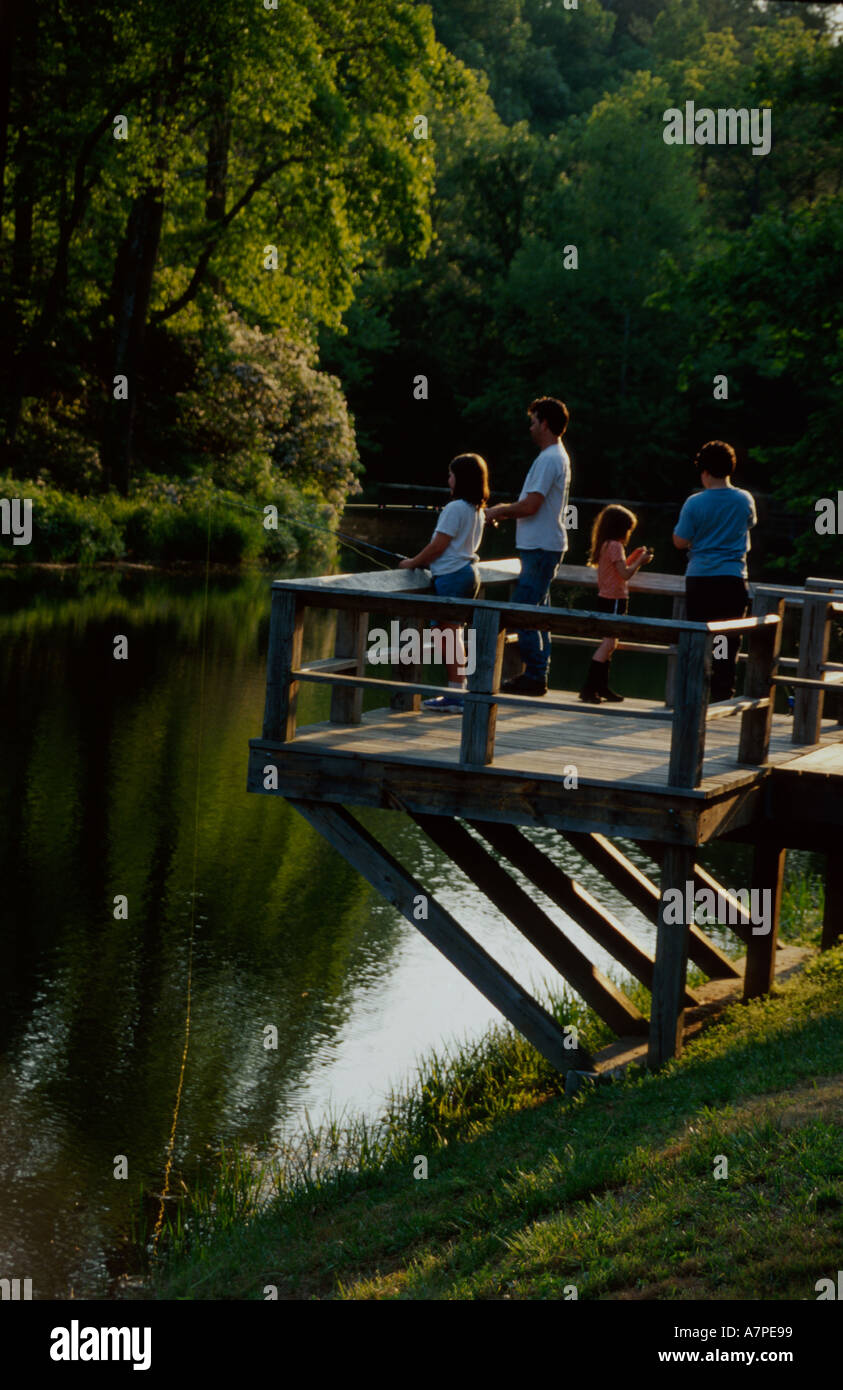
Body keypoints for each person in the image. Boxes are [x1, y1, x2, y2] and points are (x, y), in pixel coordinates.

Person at [484, 397, 571, 696]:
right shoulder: (554, 456)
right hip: (543, 546)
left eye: (533, 421)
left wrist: (497, 511)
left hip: (541, 548)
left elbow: (532, 505)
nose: (530, 427)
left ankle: (534, 676)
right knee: (537, 612)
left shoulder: (549, 459)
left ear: (544, 423)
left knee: (522, 611)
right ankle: (537, 675)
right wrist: (506, 512)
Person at [399, 453, 489, 712]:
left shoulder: (455, 508)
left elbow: (438, 545)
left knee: (446, 634)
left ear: (461, 479)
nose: (448, 478)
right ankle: (457, 691)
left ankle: (456, 695)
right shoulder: (476, 510)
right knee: (452, 634)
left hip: (452, 577)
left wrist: (412, 563)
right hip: (468, 574)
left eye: (451, 474)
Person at [673, 440, 757, 704]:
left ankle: (694, 693)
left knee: (698, 636)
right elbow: (750, 523)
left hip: (700, 578)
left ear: (705, 471)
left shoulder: (695, 502)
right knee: (726, 639)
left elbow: (680, 541)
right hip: (732, 578)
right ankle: (722, 692)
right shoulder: (744, 499)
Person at [580, 505, 653, 704]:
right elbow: (626, 574)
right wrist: (641, 562)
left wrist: (633, 558)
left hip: (607, 598)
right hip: (614, 599)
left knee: (611, 644)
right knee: (609, 643)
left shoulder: (606, 544)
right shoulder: (615, 546)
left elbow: (618, 569)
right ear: (621, 529)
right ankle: (589, 688)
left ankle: (601, 687)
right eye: (629, 530)